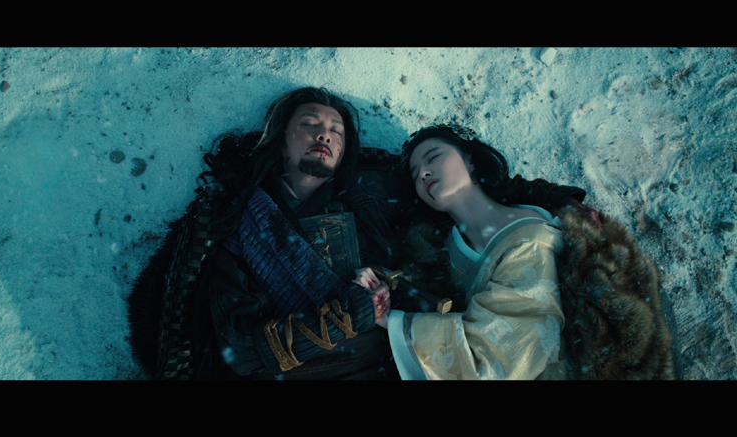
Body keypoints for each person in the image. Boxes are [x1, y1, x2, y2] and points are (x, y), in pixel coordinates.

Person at [127, 89, 589, 380]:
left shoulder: (372, 193)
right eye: (309, 124)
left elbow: (463, 185)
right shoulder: (237, 220)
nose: (324, 135)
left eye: (336, 131)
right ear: (281, 138)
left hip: (405, 362)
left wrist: (552, 201)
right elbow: (239, 350)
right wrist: (344, 316)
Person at [364, 124, 678, 380]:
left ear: (471, 161)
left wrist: (392, 320)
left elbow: (504, 354)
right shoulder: (441, 251)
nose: (423, 173)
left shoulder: (533, 233)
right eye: (416, 173)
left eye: (433, 157)